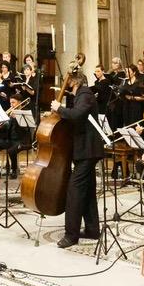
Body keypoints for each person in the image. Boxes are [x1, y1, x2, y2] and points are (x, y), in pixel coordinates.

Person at [51, 70, 100, 248]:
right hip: (84, 149)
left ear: (74, 81)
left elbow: (77, 114)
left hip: (87, 149)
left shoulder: (85, 94)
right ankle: (93, 229)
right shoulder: (80, 95)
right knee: (87, 190)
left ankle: (71, 235)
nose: (67, 84)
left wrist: (59, 109)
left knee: (74, 191)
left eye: (69, 81)